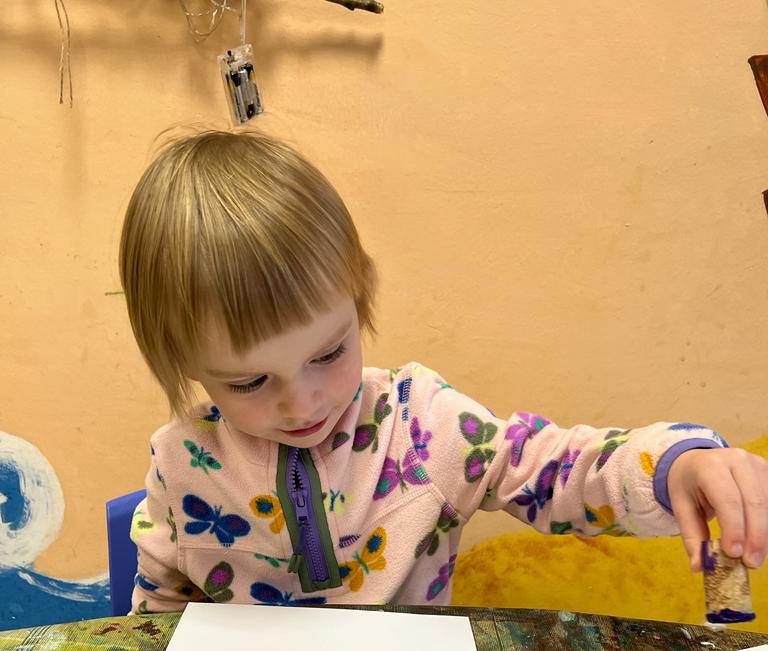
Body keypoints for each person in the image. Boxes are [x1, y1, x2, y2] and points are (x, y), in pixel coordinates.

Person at [120, 129, 768, 613]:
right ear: (184, 365)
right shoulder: (180, 462)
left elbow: (555, 470)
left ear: (360, 299)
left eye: (328, 353)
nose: (302, 403)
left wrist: (674, 466)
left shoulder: (422, 424)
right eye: (249, 382)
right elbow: (159, 615)